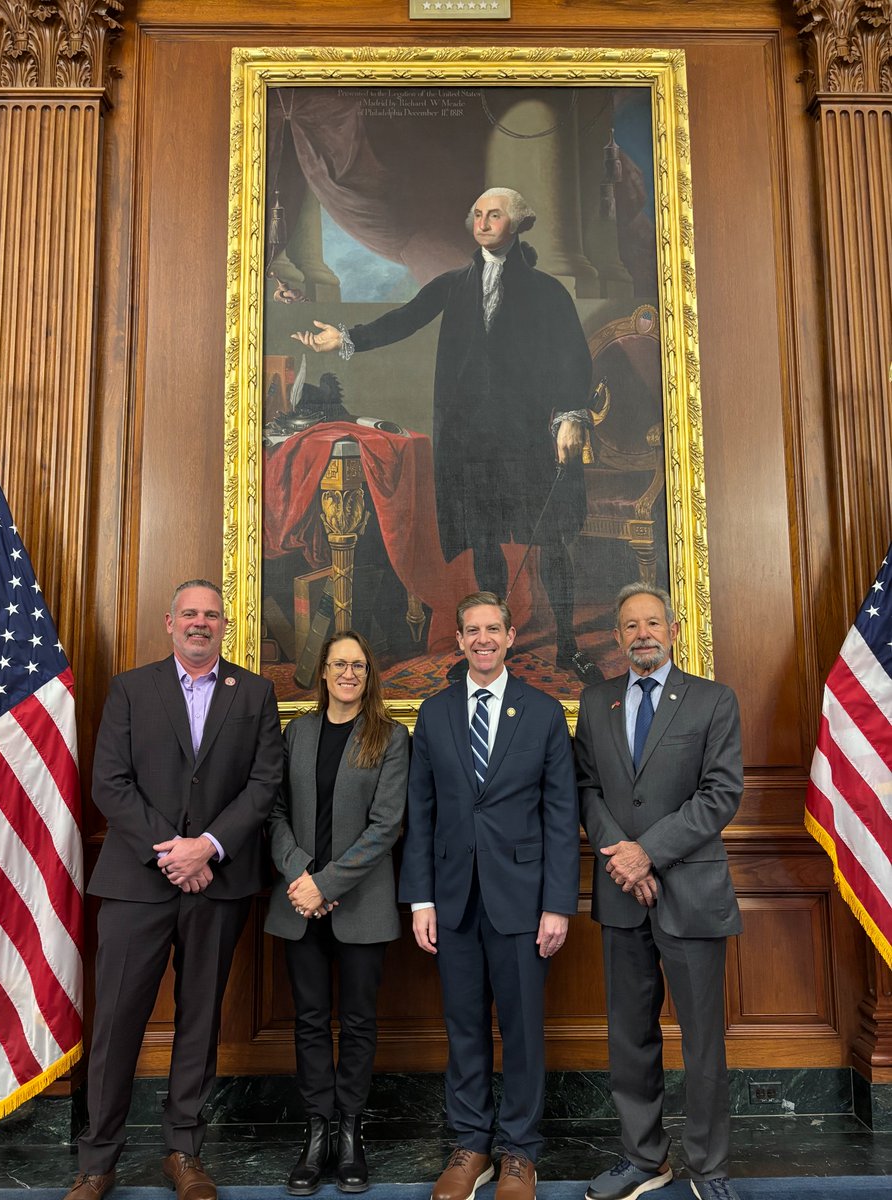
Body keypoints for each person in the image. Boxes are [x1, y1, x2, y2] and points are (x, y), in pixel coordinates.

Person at [293, 188, 602, 685]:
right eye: (477, 214)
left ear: (518, 224)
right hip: (471, 442)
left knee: (552, 541)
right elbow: (405, 319)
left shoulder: (547, 290)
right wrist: (346, 338)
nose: (483, 222)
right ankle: (492, 646)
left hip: (528, 437)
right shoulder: (454, 284)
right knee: (485, 544)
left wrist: (570, 415)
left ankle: (568, 644)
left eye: (494, 214)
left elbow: (572, 355)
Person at [65, 580, 283, 1200]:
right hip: (139, 881)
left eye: (211, 615)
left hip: (220, 882)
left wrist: (208, 847)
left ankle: (183, 1152)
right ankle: (97, 1161)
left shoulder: (256, 693)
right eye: (189, 614)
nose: (200, 623)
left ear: (223, 626)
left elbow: (264, 784)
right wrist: (174, 852)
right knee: (115, 1025)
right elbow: (110, 781)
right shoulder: (132, 689)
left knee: (199, 1019)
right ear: (169, 623)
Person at [398, 591, 580, 1200]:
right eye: (470, 630)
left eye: (492, 629)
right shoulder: (435, 712)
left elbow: (561, 816)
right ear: (457, 640)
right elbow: (419, 813)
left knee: (524, 1029)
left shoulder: (544, 712)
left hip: (524, 902)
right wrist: (420, 899)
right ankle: (471, 1143)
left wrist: (558, 904)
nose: (481, 639)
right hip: (451, 900)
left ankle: (520, 1153)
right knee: (463, 1026)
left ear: (509, 638)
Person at [573, 583, 743, 1200]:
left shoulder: (713, 700)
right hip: (621, 893)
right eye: (629, 625)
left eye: (652, 623)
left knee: (702, 1041)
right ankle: (644, 1158)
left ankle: (710, 1166)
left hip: (692, 895)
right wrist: (624, 857)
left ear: (672, 630)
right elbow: (587, 789)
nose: (642, 633)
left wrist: (650, 852)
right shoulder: (595, 703)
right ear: (617, 637)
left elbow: (721, 793)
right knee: (629, 1036)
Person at [265, 630, 408, 1195]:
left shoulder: (390, 738)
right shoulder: (296, 733)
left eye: (358, 666)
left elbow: (386, 825)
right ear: (321, 673)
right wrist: (300, 874)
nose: (348, 673)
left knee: (357, 1023)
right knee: (308, 1020)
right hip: (297, 901)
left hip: (361, 904)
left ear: (368, 676)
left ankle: (350, 1134)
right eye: (337, 664)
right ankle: (317, 1132)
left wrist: (325, 883)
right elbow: (274, 812)